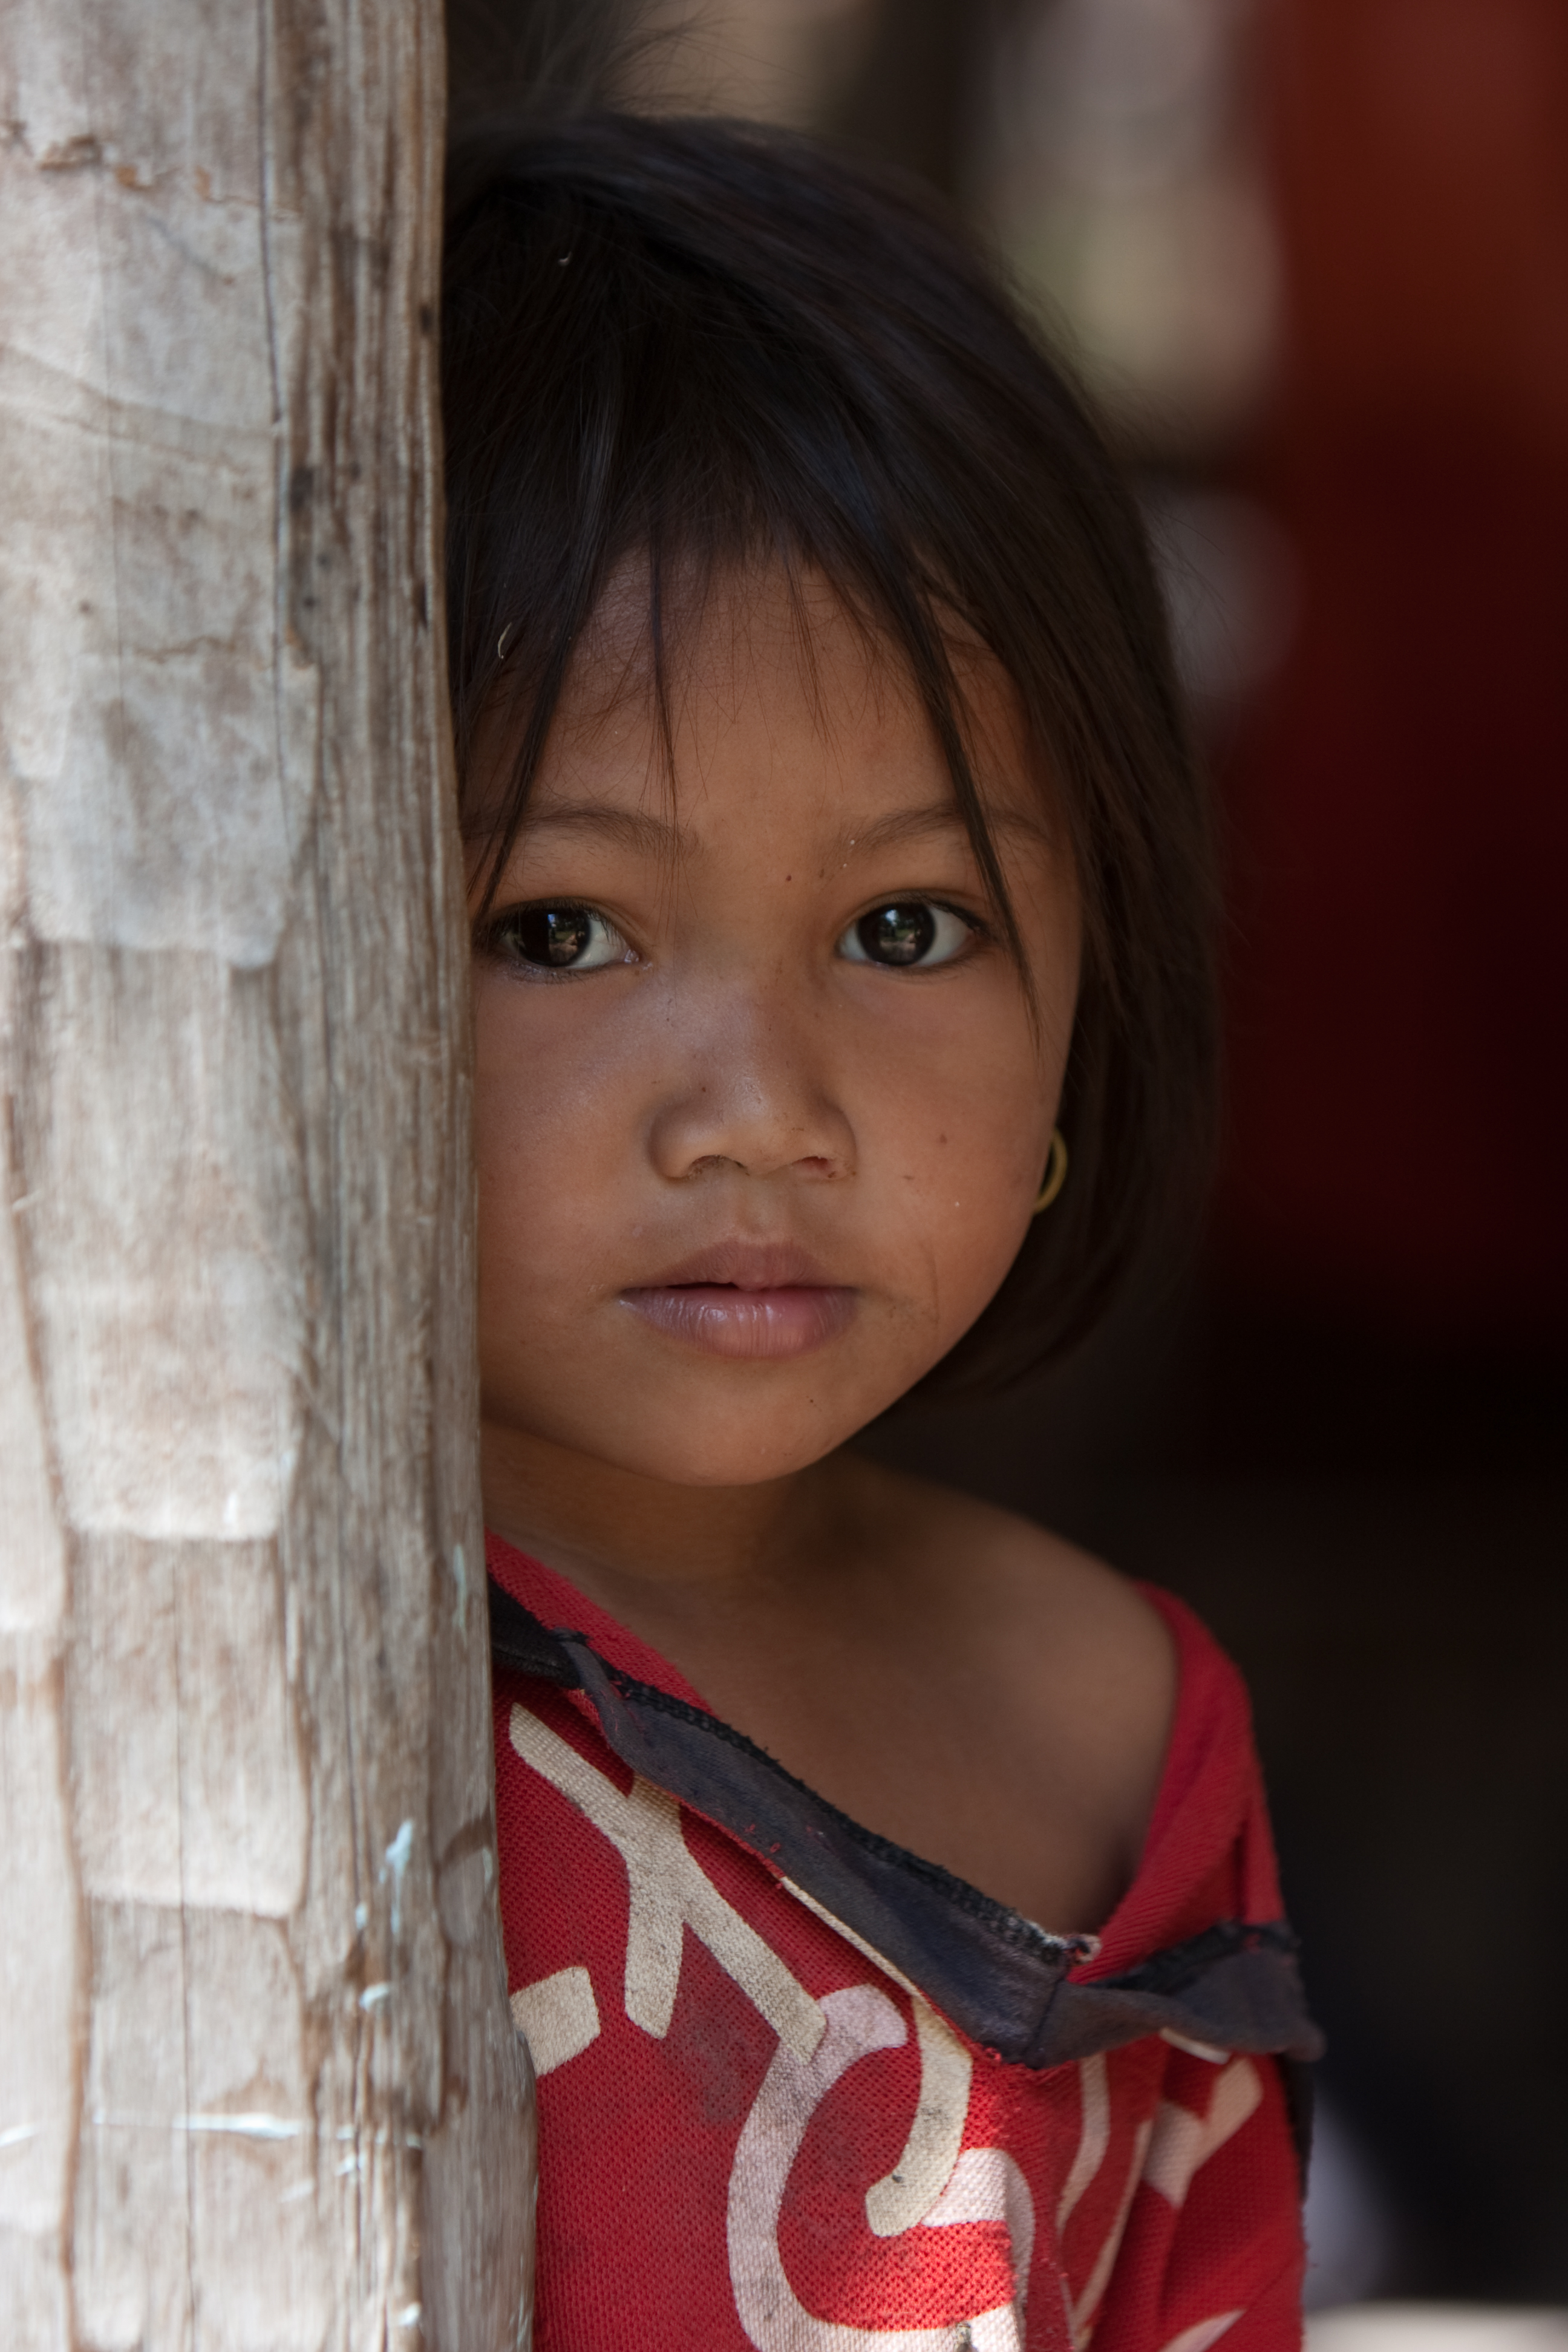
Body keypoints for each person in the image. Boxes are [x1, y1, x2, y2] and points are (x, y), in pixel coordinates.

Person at [442, 113, 1321, 2351]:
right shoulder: (186, 1687)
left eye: (906, 925)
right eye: (559, 928)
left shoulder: (1123, 1735)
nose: (762, 1111)